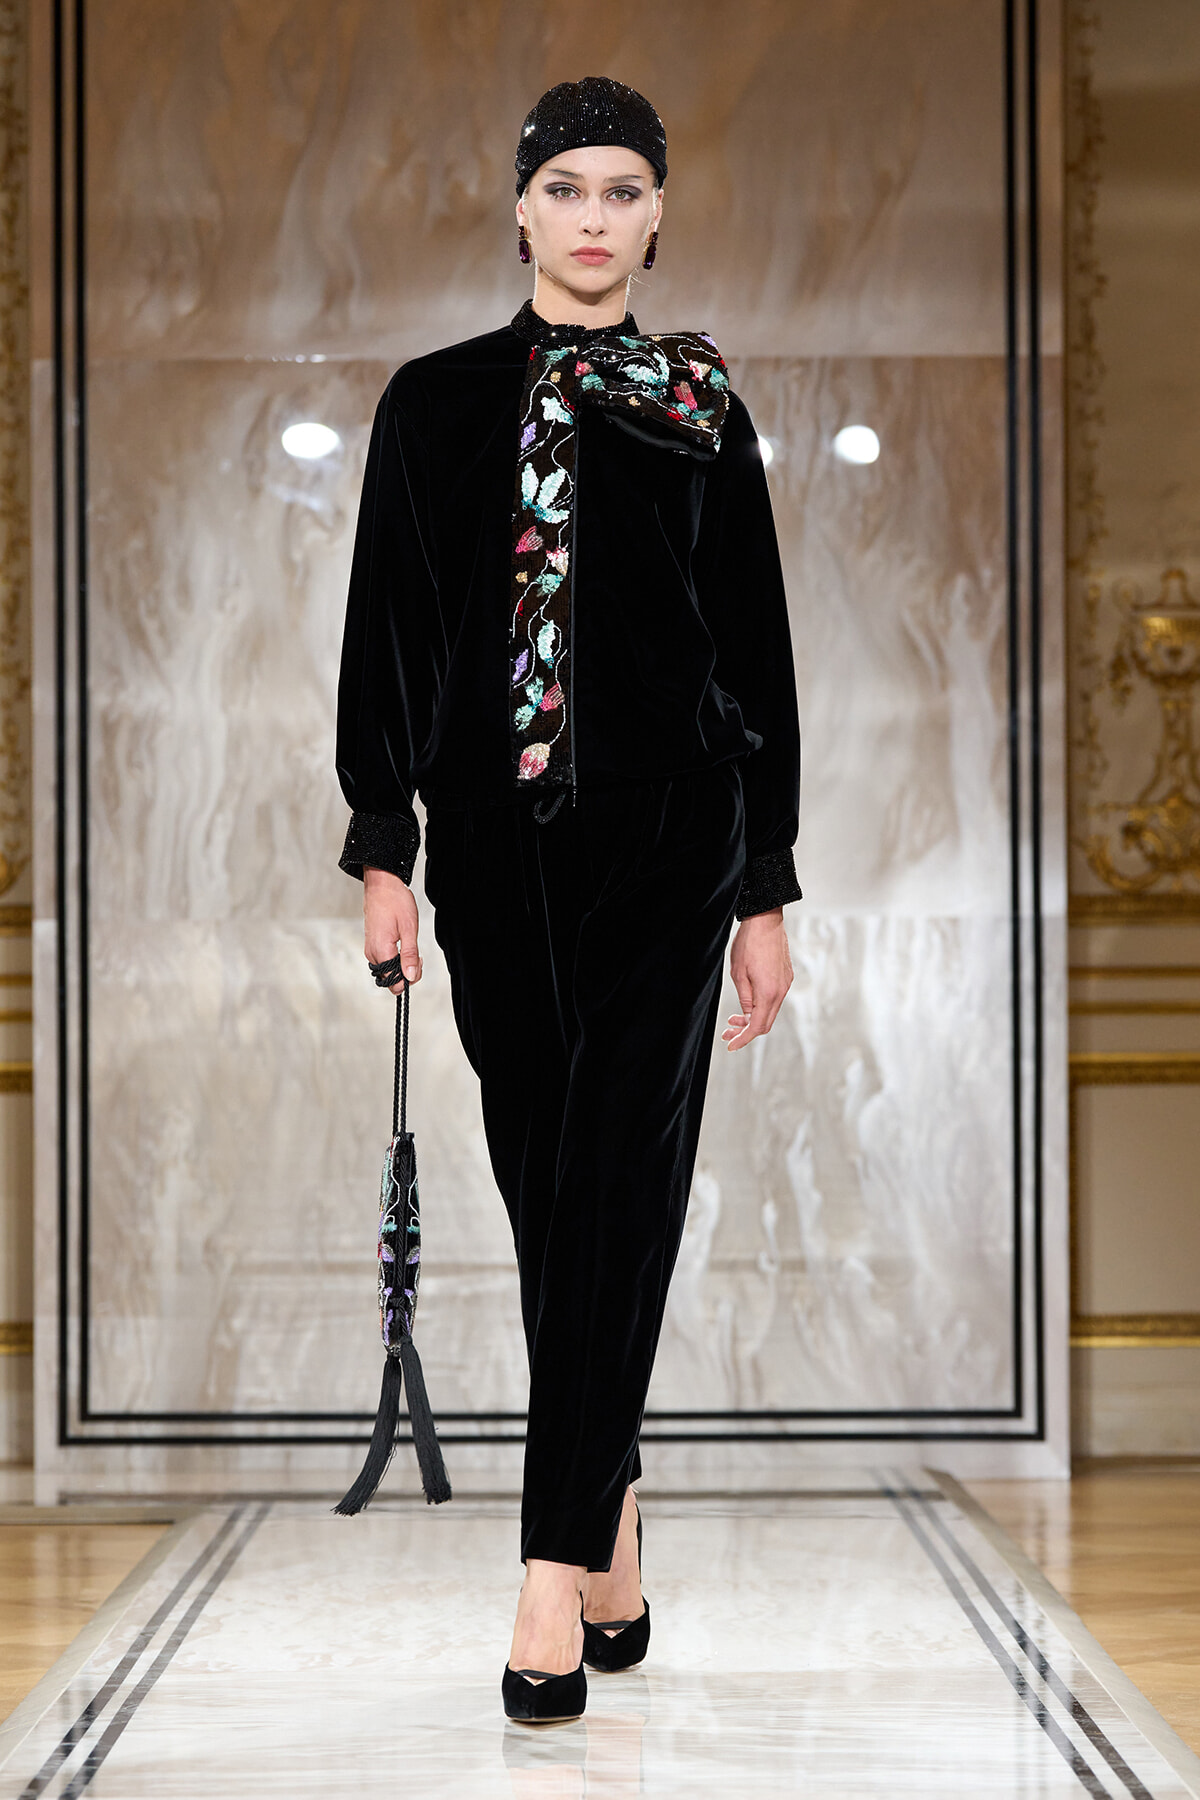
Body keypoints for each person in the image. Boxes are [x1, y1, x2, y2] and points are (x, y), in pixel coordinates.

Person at [335, 76, 802, 1722]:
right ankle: (608, 1514)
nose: (595, 217)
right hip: (493, 848)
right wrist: (382, 847)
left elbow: (757, 657)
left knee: (620, 1175)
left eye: (625, 190)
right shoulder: (434, 404)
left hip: (675, 843)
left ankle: (544, 1581)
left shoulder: (698, 410)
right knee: (549, 1182)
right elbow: (387, 628)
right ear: (522, 209)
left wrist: (765, 886)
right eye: (568, 189)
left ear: (659, 214)